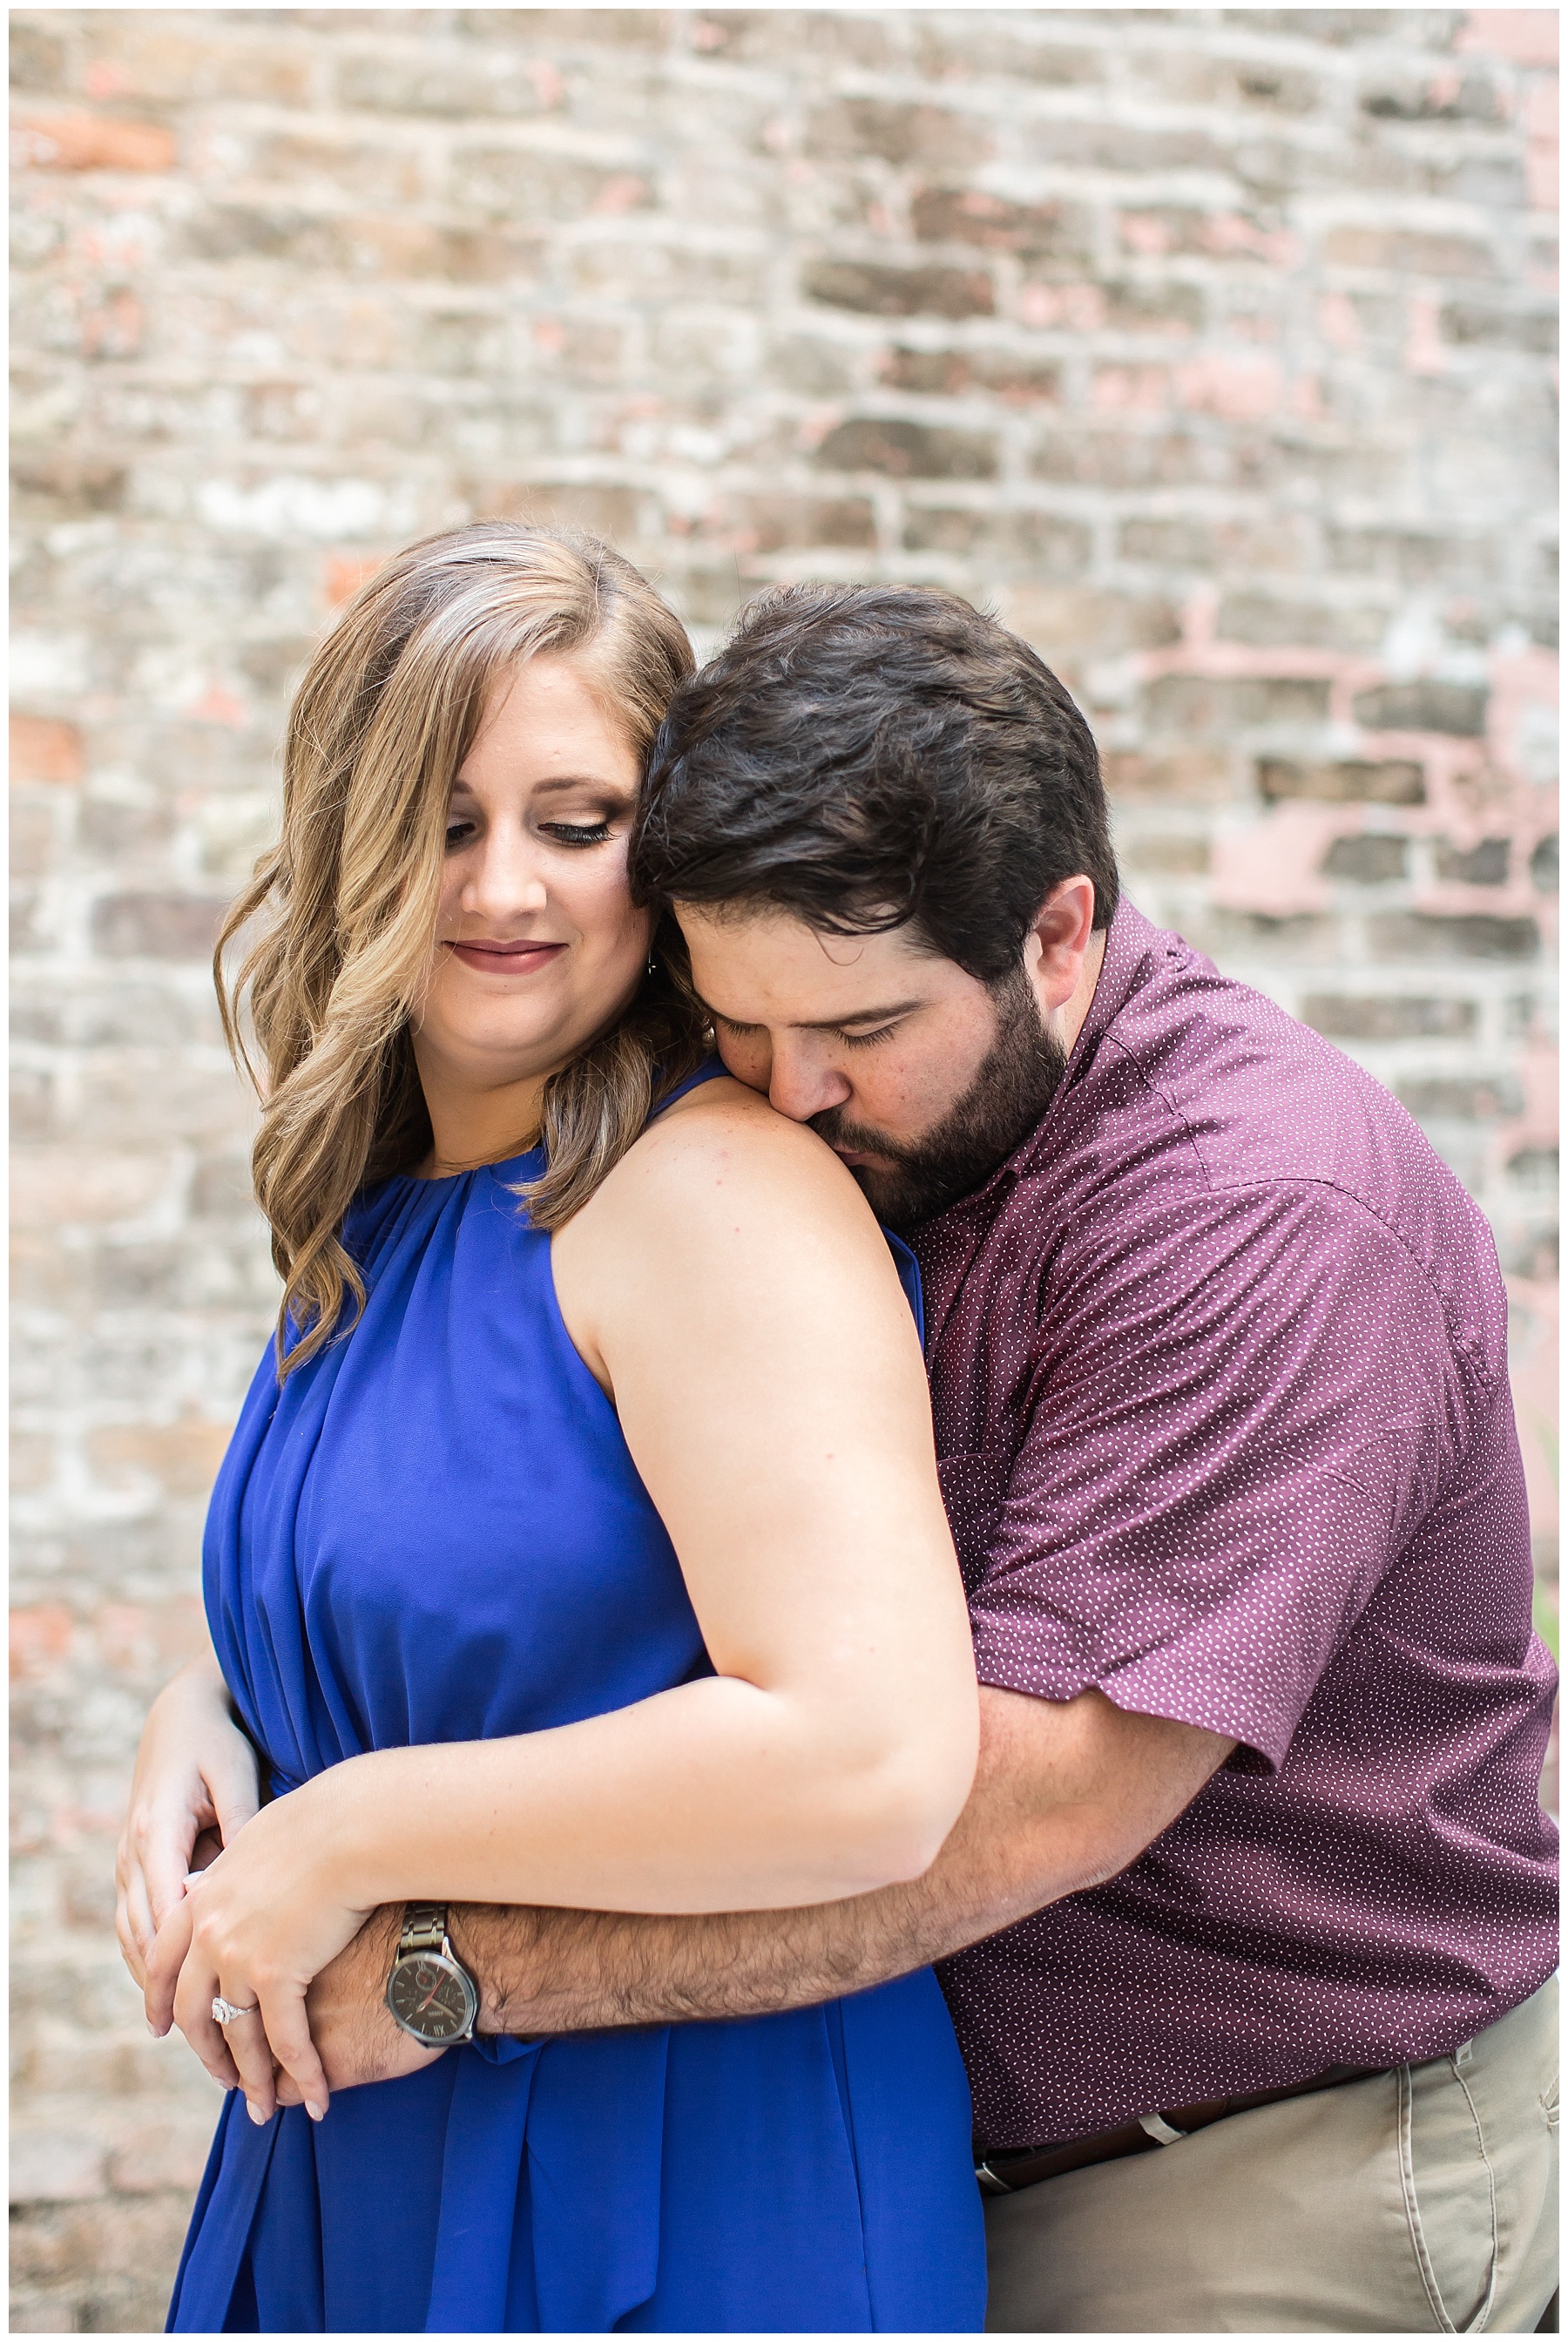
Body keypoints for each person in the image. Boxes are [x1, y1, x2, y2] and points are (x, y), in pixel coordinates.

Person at [130, 580, 1560, 2332]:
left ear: (1055, 941)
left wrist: (435, 1962)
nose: (790, 1092)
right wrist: (235, 1704)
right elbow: (568, 1547)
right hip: (967, 2120)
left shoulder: (1256, 1215)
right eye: (742, 1027)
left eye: (859, 1037)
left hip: (1279, 2159)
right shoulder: (843, 1149)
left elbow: (999, 1805)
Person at [117, 531, 989, 2333]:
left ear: (654, 850)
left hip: (684, 2169)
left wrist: (350, 1829)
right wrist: (213, 1709)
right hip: (373, 2143)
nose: (500, 884)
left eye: (573, 820)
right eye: (440, 819)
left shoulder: (712, 1199)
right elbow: (479, 1587)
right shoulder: (386, 1206)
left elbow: (873, 1758)